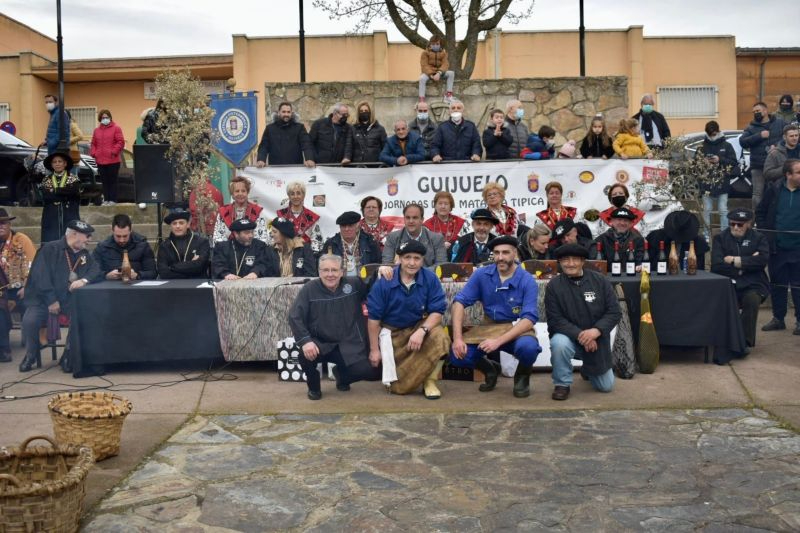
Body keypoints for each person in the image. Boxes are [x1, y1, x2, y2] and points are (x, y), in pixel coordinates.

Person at [450, 235, 542, 398]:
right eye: (497, 253)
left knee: (528, 348)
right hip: (489, 327)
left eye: (505, 253)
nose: (500, 257)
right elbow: (459, 302)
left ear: (514, 253)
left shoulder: (527, 280)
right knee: (458, 357)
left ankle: (522, 377)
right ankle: (490, 369)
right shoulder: (482, 275)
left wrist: (497, 342)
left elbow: (529, 319)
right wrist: (457, 339)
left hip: (517, 328)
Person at [289, 254, 384, 400]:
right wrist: (306, 341)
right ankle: (314, 388)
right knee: (304, 354)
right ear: (319, 272)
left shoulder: (354, 284)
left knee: (373, 370)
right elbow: (295, 316)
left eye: (334, 270)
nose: (330, 274)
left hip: (349, 343)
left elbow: (372, 288)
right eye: (325, 270)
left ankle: (342, 376)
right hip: (320, 343)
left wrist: (379, 272)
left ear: (342, 271)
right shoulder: (309, 289)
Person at [367, 240, 451, 398]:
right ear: (399, 259)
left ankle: (430, 381)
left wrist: (422, 331)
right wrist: (374, 350)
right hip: (392, 334)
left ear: (422, 260)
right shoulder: (384, 281)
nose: (412, 263)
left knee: (440, 337)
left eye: (417, 258)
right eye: (407, 257)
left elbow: (437, 311)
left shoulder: (430, 278)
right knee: (400, 389)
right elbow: (374, 319)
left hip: (416, 328)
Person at [19, 220, 102, 373]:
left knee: (81, 316)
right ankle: (31, 354)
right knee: (29, 320)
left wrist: (84, 280)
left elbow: (97, 269)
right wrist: (51, 301)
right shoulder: (50, 248)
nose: (89, 239)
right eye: (87, 236)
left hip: (68, 301)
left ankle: (68, 354)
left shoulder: (83, 254)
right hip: (44, 301)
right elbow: (40, 277)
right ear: (74, 234)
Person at [546, 243, 622, 400]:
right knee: (558, 343)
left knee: (606, 387)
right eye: (565, 260)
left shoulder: (600, 281)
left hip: (597, 339)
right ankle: (562, 383)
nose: (571, 263)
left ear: (582, 261)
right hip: (568, 337)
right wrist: (581, 335)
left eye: (575, 259)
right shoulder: (554, 286)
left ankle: (587, 369)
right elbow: (555, 319)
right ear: (559, 262)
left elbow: (614, 312)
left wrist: (596, 331)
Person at [711, 209, 770, 350]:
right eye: (732, 224)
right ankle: (722, 338)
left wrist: (735, 260)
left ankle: (743, 342)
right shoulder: (720, 238)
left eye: (740, 224)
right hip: (727, 283)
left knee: (752, 300)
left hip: (752, 284)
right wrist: (747, 263)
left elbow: (762, 261)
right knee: (717, 299)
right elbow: (717, 265)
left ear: (748, 224)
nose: (736, 227)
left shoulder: (759, 238)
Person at [756, 159, 800, 336]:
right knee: (777, 285)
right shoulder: (774, 190)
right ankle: (778, 318)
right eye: (798, 172)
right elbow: (760, 212)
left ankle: (799, 321)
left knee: (798, 286)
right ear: (788, 174)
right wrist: (765, 234)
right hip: (777, 248)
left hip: (798, 248)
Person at [0, 209, 36, 364]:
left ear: (9, 224)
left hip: (19, 290)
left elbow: (33, 266)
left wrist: (27, 287)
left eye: (3, 223)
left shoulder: (21, 240)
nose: (0, 226)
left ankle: (3, 349)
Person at [695, 120, 737, 240]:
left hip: (722, 183)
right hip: (706, 184)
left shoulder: (727, 145)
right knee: (706, 210)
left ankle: (724, 234)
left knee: (723, 210)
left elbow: (733, 162)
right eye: (710, 135)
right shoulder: (701, 147)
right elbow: (695, 165)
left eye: (714, 134)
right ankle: (706, 234)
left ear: (718, 131)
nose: (712, 137)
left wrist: (720, 159)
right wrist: (702, 162)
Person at [740, 101, 786, 207]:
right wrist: (759, 136)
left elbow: (789, 136)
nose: (756, 113)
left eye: (758, 111)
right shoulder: (751, 127)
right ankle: (757, 220)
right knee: (757, 193)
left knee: (778, 190)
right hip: (758, 165)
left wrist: (777, 146)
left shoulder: (779, 123)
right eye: (754, 112)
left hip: (776, 165)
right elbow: (742, 142)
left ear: (765, 111)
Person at [93, 214, 156, 281]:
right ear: (112, 230)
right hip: (111, 288)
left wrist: (137, 275)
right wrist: (106, 275)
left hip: (135, 287)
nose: (121, 240)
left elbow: (153, 273)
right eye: (118, 236)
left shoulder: (142, 245)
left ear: (131, 230)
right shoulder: (102, 247)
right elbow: (91, 272)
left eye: (125, 236)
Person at [382, 204, 447, 268]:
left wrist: (417, 273)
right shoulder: (392, 237)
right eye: (408, 218)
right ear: (404, 219)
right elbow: (387, 265)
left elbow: (441, 266)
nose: (411, 221)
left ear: (422, 220)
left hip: (427, 278)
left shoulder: (437, 239)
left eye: (415, 218)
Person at [212, 218, 280, 280]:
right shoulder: (222, 247)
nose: (251, 235)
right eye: (247, 232)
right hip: (227, 285)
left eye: (252, 232)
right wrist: (226, 274)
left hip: (253, 285)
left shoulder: (260, 246)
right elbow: (218, 265)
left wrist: (255, 272)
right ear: (236, 234)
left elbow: (264, 263)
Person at [255, 102, 315, 168]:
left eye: (288, 112)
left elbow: (306, 144)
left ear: (291, 113)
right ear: (279, 113)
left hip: (295, 168)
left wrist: (309, 158)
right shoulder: (270, 128)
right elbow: (264, 146)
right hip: (275, 168)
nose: (286, 114)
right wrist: (261, 159)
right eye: (283, 112)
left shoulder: (299, 128)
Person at [212, 176, 270, 244]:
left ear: (247, 193)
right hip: (229, 251)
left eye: (243, 191)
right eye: (237, 191)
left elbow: (262, 238)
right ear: (232, 194)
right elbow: (218, 238)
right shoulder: (224, 212)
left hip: (252, 252)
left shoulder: (257, 212)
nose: (240, 194)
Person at [39, 151, 81, 243]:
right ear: (52, 165)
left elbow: (73, 192)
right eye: (54, 162)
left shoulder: (73, 178)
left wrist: (54, 191)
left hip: (69, 214)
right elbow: (46, 196)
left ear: (65, 164)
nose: (57, 164)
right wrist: (64, 193)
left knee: (70, 242)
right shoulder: (46, 180)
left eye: (60, 161)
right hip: (51, 216)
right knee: (51, 242)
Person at [321, 211, 381, 276]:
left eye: (350, 226)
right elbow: (322, 266)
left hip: (364, 282)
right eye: (343, 226)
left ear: (357, 226)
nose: (347, 229)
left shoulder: (369, 241)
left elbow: (377, 265)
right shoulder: (331, 244)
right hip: (338, 283)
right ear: (340, 227)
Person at [156, 211, 211, 279]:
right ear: (171, 226)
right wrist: (191, 265)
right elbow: (163, 272)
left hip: (197, 284)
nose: (178, 226)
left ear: (188, 224)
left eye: (181, 223)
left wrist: (171, 267)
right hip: (172, 284)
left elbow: (200, 266)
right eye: (174, 223)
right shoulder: (164, 245)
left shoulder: (201, 242)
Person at [90, 109, 126, 205]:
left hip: (113, 160)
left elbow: (120, 142)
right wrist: (94, 153)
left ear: (110, 118)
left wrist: (113, 151)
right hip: (100, 160)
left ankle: (113, 200)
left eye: (107, 117)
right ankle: (106, 199)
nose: (105, 119)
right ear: (100, 119)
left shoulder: (116, 128)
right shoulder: (96, 131)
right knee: (104, 182)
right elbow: (93, 143)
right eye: (103, 117)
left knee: (112, 181)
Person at [276, 181, 324, 254]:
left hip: (305, 256)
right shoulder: (282, 215)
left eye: (298, 193)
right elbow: (274, 238)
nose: (295, 196)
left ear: (303, 195)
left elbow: (317, 243)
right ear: (288, 196)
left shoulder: (311, 216)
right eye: (292, 194)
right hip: (284, 255)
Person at [419, 35, 454, 104]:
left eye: (437, 44)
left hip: (439, 73)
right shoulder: (425, 53)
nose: (435, 45)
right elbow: (424, 65)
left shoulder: (443, 53)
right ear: (430, 44)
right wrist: (431, 75)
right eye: (433, 44)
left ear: (440, 44)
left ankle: (449, 96)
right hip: (428, 73)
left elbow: (445, 64)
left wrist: (439, 73)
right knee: (422, 78)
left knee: (451, 73)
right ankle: (421, 100)